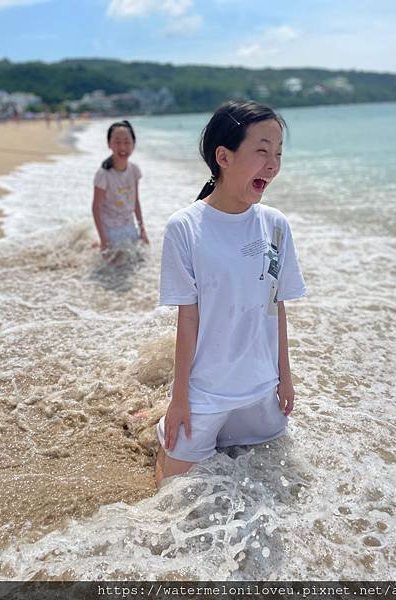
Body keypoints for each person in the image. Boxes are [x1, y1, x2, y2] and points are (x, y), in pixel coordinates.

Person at [155, 100, 307, 486]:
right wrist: (179, 400)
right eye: (261, 151)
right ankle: (159, 418)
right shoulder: (185, 228)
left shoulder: (275, 225)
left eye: (277, 154)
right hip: (206, 393)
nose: (272, 165)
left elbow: (277, 306)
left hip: (260, 390)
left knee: (278, 487)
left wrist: (284, 380)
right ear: (223, 155)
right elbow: (188, 320)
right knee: (170, 494)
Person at [92, 120, 149, 251]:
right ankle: (94, 246)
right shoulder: (103, 175)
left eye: (127, 142)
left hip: (129, 225)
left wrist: (142, 230)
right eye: (117, 142)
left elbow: (136, 202)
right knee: (114, 265)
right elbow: (96, 208)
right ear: (109, 144)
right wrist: (103, 239)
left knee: (139, 260)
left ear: (134, 145)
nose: (122, 147)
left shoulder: (134, 170)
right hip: (110, 228)